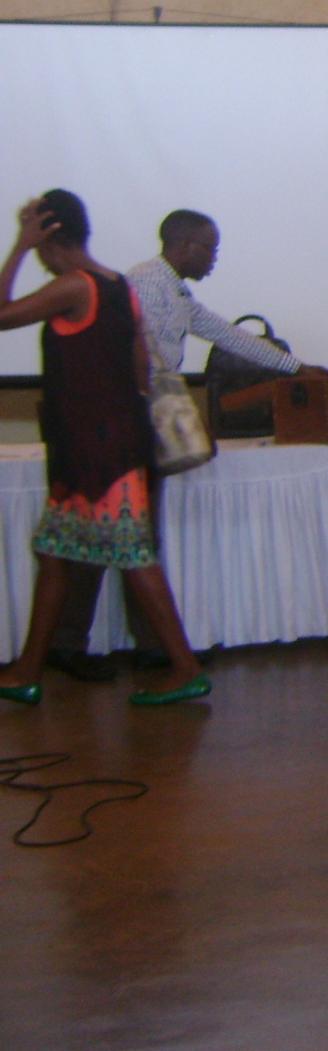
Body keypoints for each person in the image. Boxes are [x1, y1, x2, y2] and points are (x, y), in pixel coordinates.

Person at [47, 208, 325, 682]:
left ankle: (147, 644)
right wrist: (183, 421)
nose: (215, 257)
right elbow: (144, 367)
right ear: (183, 247)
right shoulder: (144, 284)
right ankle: (73, 644)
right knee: (113, 534)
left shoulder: (173, 289)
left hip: (135, 424)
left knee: (133, 536)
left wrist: (295, 368)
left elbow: (226, 333)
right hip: (125, 425)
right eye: (210, 247)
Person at [0, 193, 209, 706]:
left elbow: (1, 315)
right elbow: (140, 369)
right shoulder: (120, 287)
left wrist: (20, 247)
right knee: (53, 553)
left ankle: (185, 669)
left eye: (40, 240)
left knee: (135, 557)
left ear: (51, 236)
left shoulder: (74, 285)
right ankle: (28, 668)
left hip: (95, 455)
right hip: (107, 446)